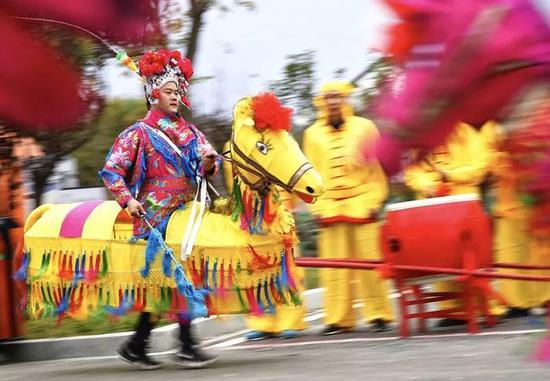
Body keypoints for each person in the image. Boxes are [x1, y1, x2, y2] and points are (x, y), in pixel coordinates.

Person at [100, 49, 219, 369]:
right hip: (153, 215)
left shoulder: (191, 133)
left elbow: (207, 165)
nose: (175, 96)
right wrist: (129, 200)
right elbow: (112, 171)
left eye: (178, 91)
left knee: (178, 278)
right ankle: (182, 345)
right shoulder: (137, 133)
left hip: (186, 212)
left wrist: (209, 163)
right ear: (153, 94)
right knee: (171, 278)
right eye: (169, 91)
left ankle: (141, 345)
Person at [302, 81, 394, 335]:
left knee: (372, 264)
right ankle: (338, 319)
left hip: (363, 203)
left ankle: (379, 315)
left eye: (337, 97)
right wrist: (317, 207)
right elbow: (309, 173)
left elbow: (377, 168)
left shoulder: (365, 127)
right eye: (328, 97)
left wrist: (376, 200)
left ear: (346, 99)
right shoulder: (312, 134)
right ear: (321, 102)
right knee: (334, 268)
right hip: (329, 206)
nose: (333, 102)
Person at [404, 122, 505, 326]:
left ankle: (486, 308)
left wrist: (450, 175)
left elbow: (480, 166)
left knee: (473, 257)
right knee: (441, 257)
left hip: (465, 204)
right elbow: (412, 172)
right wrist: (429, 185)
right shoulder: (421, 135)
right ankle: (451, 312)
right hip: (434, 206)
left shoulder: (465, 131)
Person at [222, 141, 308, 340]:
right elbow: (233, 182)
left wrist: (286, 205)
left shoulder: (281, 138)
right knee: (255, 271)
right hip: (251, 216)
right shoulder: (233, 145)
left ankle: (290, 320)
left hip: (280, 214)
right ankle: (261, 323)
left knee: (287, 270)